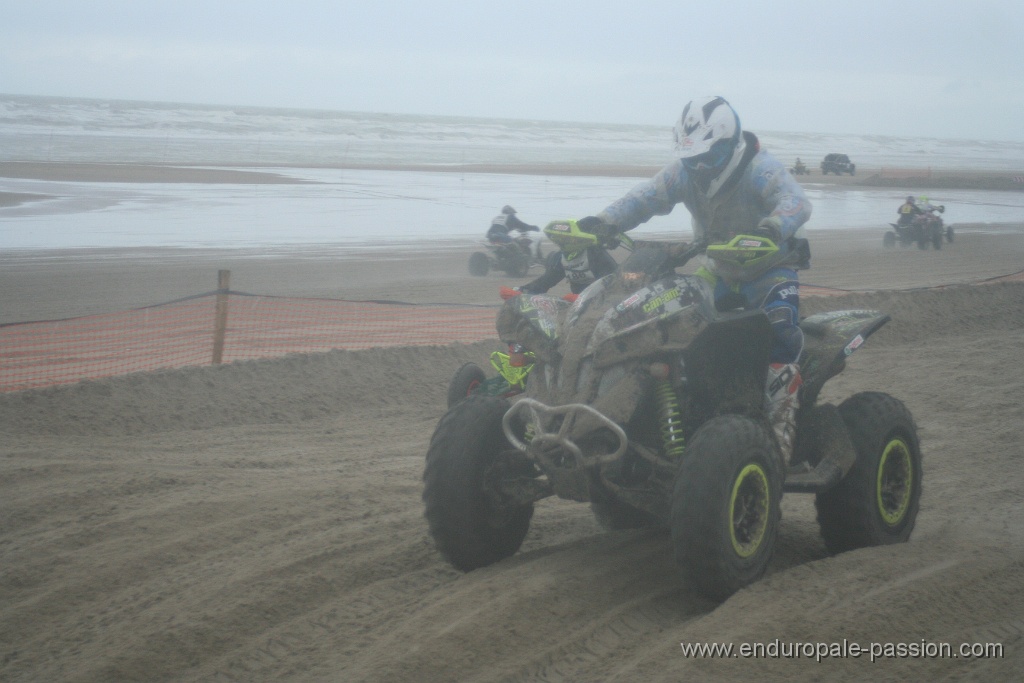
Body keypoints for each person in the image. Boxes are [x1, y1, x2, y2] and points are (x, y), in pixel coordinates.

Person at [574, 95, 813, 465]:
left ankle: (780, 439)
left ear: (730, 145)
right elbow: (644, 198)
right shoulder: (684, 173)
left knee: (780, 334)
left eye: (710, 157)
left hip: (769, 270)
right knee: (680, 330)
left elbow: (795, 200)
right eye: (693, 158)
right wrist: (607, 220)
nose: (701, 166)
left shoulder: (760, 169)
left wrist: (774, 226)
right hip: (715, 268)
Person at [515, 219, 619, 296]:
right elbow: (545, 281)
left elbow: (609, 284)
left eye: (567, 239)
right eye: (561, 240)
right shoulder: (560, 257)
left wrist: (582, 299)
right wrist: (522, 290)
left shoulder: (595, 254)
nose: (562, 243)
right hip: (578, 301)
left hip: (602, 301)